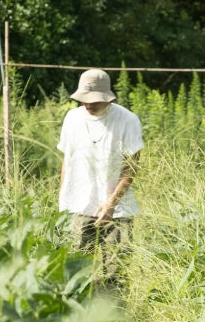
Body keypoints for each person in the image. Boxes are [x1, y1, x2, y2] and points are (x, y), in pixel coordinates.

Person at [56, 68, 143, 286]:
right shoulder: (72, 118)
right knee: (76, 272)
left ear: (107, 97)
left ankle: (113, 318)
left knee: (115, 274)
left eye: (95, 99)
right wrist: (63, 199)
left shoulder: (127, 120)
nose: (89, 104)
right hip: (77, 206)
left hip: (117, 211)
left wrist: (111, 205)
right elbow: (67, 159)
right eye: (84, 99)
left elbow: (131, 167)